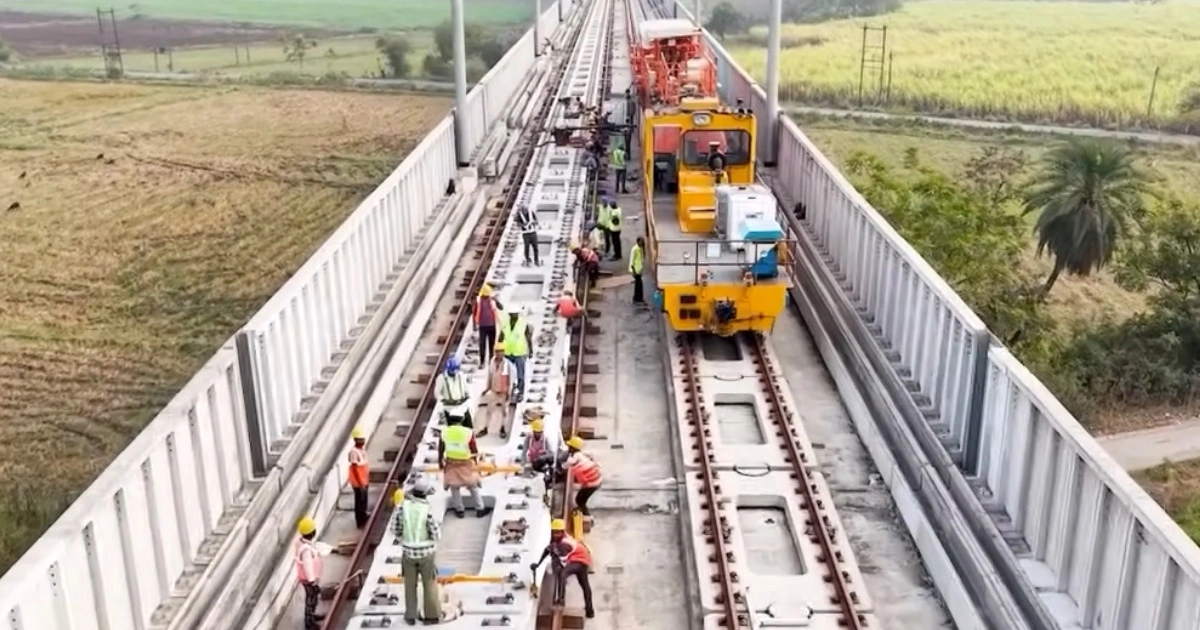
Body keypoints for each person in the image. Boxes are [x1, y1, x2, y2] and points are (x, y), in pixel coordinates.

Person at [392, 482, 442, 626]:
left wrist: (404, 539)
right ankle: (432, 616)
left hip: (408, 554)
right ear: (425, 495)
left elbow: (395, 529)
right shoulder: (427, 511)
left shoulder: (403, 508)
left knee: (409, 585)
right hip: (426, 555)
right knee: (429, 584)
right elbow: (436, 535)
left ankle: (410, 616)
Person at [530, 518, 595, 618]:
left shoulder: (564, 544)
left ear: (562, 532)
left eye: (557, 533)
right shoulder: (559, 540)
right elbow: (547, 550)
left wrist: (556, 567)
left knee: (563, 573)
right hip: (581, 558)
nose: (555, 535)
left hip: (580, 560)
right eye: (554, 532)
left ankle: (561, 601)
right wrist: (538, 564)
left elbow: (562, 559)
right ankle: (590, 611)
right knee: (585, 586)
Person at [439, 414, 491, 518]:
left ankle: (459, 510)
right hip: (466, 462)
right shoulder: (468, 432)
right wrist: (477, 460)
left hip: (451, 462)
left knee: (454, 486)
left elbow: (441, 448)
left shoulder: (444, 432)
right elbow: (473, 448)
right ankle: (479, 508)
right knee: (472, 485)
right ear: (461, 420)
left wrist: (440, 461)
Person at [294, 516, 326, 629]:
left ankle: (311, 616)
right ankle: (309, 622)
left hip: (306, 579)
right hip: (309, 580)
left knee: (311, 597)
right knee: (311, 599)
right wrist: (313, 582)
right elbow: (308, 567)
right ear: (312, 533)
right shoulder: (306, 550)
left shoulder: (301, 543)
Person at [499, 309, 534, 403]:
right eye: (512, 313)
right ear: (509, 314)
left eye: (515, 313)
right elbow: (500, 337)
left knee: (520, 376)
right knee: (506, 375)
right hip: (507, 353)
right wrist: (498, 351)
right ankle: (508, 391)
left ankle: (520, 393)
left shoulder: (523, 324)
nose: (514, 315)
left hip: (520, 353)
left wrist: (531, 351)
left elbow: (528, 338)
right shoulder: (505, 324)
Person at [479, 343, 512, 439]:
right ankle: (485, 428)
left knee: (504, 411)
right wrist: (487, 389)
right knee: (489, 410)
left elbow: (509, 378)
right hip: (494, 391)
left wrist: (508, 392)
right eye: (498, 352)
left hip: (503, 392)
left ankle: (502, 428)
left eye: (501, 351)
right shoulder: (492, 362)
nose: (500, 354)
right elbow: (490, 376)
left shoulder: (506, 364)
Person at [565, 436, 602, 519]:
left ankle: (588, 518)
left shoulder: (576, 463)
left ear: (573, 448)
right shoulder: (582, 456)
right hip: (597, 481)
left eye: (569, 447)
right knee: (581, 499)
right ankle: (584, 514)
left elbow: (583, 482)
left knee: (579, 501)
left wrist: (563, 465)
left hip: (592, 484)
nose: (568, 448)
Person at [436, 355, 472, 428]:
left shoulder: (461, 375)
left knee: (469, 427)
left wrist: (467, 395)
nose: (454, 372)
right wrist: (443, 400)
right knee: (451, 429)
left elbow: (465, 387)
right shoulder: (442, 378)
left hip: (462, 406)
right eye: (452, 370)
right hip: (449, 407)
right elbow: (437, 393)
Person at [473, 284, 501, 367]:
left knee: (491, 344)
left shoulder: (492, 300)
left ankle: (491, 360)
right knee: (482, 344)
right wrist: (474, 324)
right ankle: (482, 361)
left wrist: (496, 300)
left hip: (491, 325)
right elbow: (475, 312)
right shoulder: (479, 300)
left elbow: (500, 307)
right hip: (483, 326)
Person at [348, 426, 370, 528]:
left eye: (363, 439)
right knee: (359, 501)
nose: (363, 441)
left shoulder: (362, 450)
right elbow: (355, 469)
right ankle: (360, 521)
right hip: (358, 482)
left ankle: (364, 516)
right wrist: (361, 483)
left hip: (364, 480)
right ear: (355, 440)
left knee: (364, 500)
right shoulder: (354, 452)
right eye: (360, 439)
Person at [629, 237, 645, 305]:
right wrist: (633, 271)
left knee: (639, 284)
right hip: (636, 270)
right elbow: (632, 260)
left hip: (639, 269)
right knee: (638, 284)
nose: (642, 243)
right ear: (638, 241)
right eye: (641, 242)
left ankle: (639, 298)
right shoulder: (634, 249)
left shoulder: (641, 248)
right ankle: (637, 298)